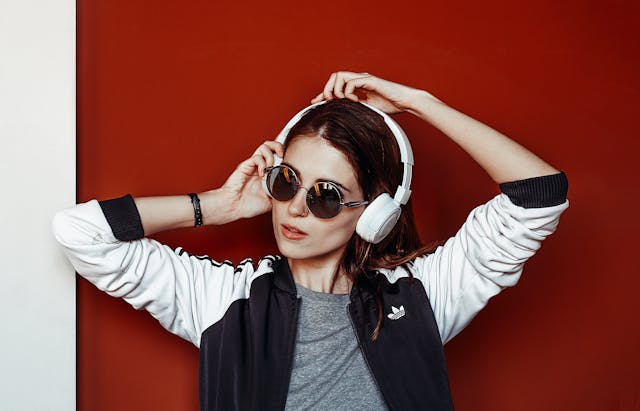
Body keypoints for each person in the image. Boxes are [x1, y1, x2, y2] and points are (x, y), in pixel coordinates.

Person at [52, 71, 569, 411]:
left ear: (376, 213)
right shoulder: (221, 300)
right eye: (286, 182)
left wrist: (419, 104)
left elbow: (540, 194)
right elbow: (80, 233)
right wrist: (218, 206)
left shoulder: (423, 297)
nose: (295, 208)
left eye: (325, 196)